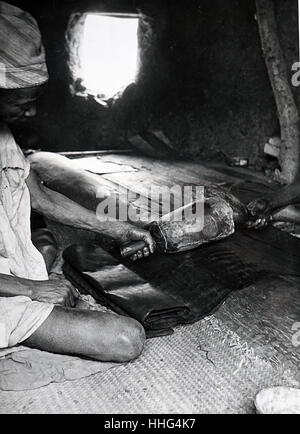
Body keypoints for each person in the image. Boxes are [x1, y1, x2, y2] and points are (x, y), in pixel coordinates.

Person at [0, 1, 155, 362]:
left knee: (48, 248)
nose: (33, 112)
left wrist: (120, 229)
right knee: (125, 339)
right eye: (21, 102)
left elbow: (40, 198)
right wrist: (33, 289)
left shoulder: (4, 137)